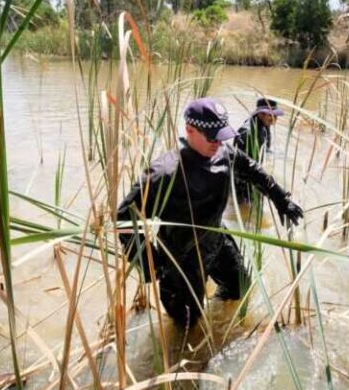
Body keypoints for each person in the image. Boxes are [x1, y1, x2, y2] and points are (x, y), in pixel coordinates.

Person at [117, 98, 303, 329]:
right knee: (187, 327)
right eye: (212, 136)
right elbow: (124, 218)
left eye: (221, 135)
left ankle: (218, 325)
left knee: (239, 288)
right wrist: (150, 264)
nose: (218, 142)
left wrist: (281, 199)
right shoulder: (163, 173)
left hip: (216, 240)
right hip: (180, 259)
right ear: (190, 130)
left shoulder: (224, 153)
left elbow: (254, 171)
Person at [233, 97, 285, 204]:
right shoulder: (246, 134)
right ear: (260, 114)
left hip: (254, 171)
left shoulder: (264, 124)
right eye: (271, 114)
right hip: (241, 181)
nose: (275, 118)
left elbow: (266, 148)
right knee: (244, 207)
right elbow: (239, 167)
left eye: (275, 115)